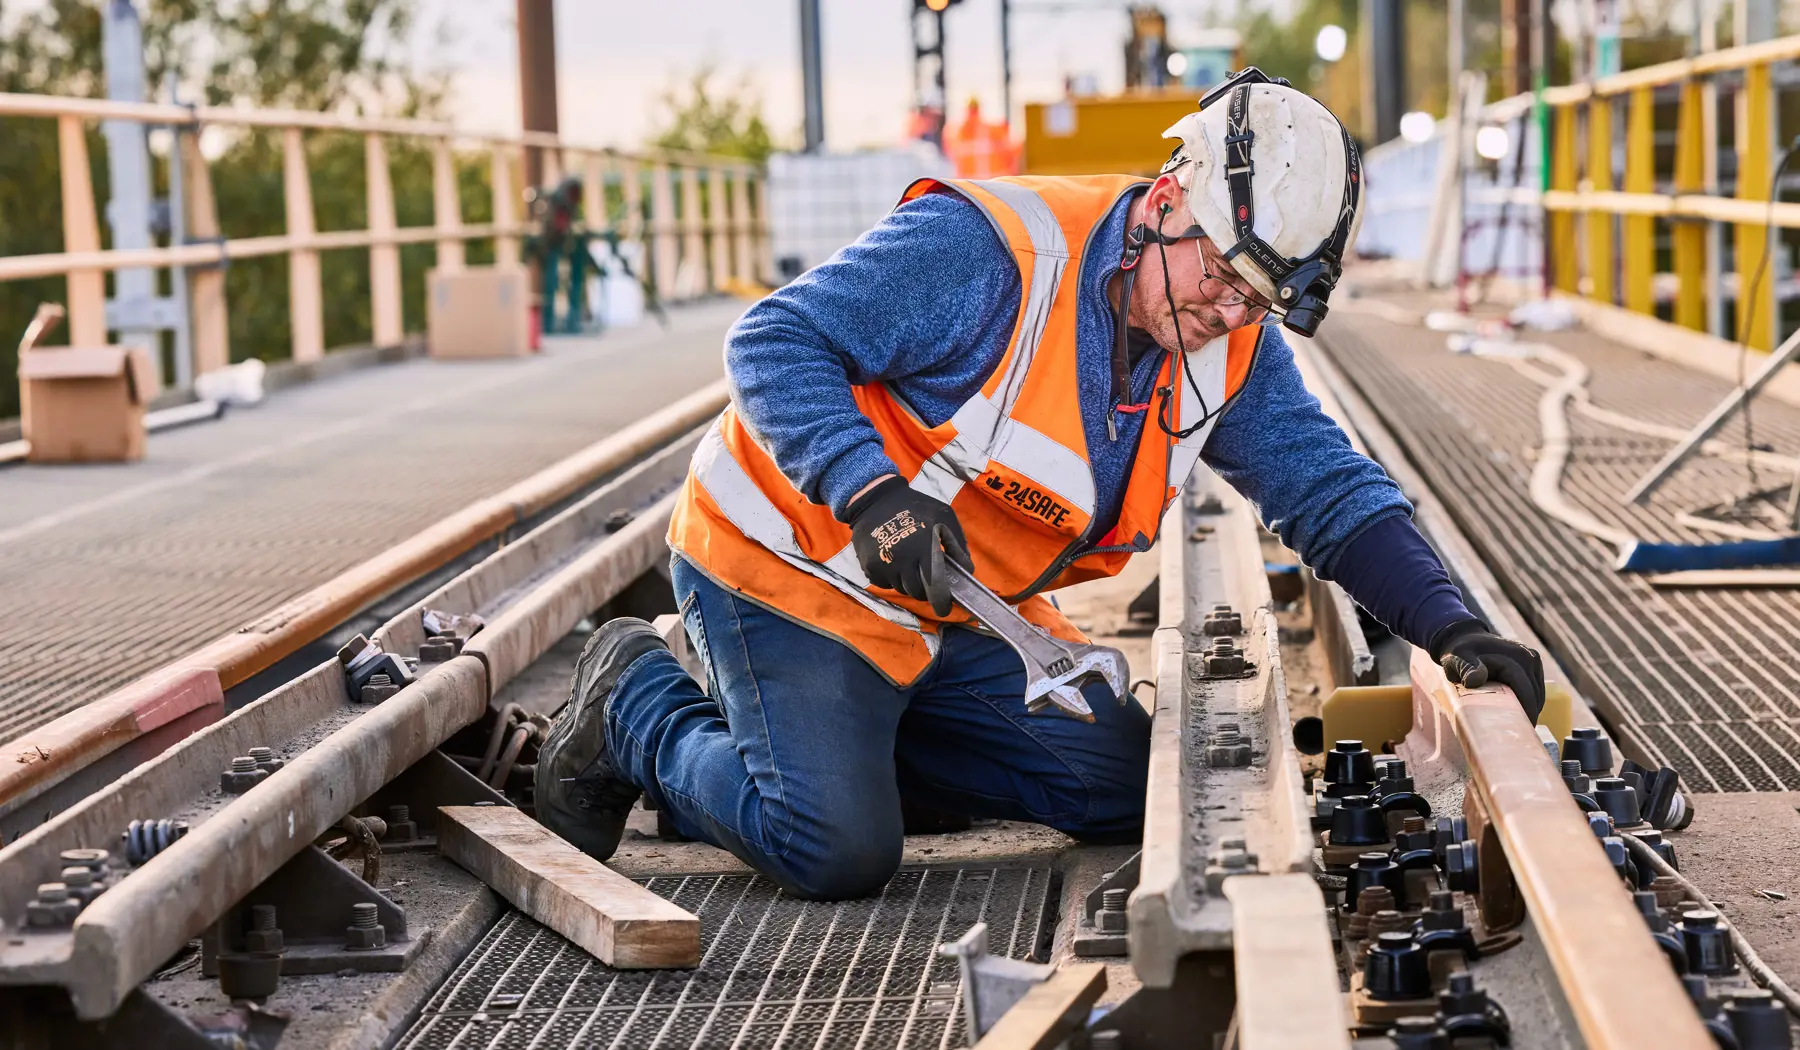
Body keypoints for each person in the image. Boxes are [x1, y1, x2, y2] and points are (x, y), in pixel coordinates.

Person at [535, 73, 1545, 901]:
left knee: (1123, 783)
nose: (1228, 310)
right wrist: (867, 491)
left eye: (1257, 298)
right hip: (793, 568)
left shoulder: (1228, 340)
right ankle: (637, 699)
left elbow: (1322, 485)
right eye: (1222, 274)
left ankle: (812, 748)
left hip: (959, 609)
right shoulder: (991, 256)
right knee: (834, 849)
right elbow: (773, 337)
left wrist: (1453, 625)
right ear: (1166, 200)